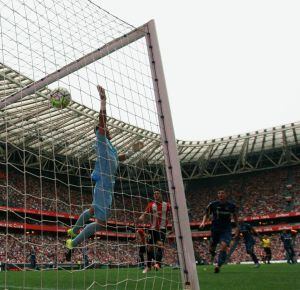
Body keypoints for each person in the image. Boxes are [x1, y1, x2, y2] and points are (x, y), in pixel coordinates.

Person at [65, 85, 143, 252]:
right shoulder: (101, 139)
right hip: (104, 184)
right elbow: (102, 119)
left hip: (105, 184)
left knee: (93, 210)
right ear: (101, 130)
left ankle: (74, 230)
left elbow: (118, 159)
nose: (108, 128)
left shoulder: (110, 146)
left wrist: (132, 151)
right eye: (105, 127)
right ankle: (73, 242)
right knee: (101, 223)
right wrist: (103, 100)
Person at [200, 190, 238, 273]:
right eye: (219, 193)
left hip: (226, 228)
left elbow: (235, 216)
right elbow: (206, 214)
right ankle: (212, 253)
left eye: (222, 193)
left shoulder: (231, 206)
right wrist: (203, 222)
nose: (220, 194)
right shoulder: (213, 204)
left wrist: (237, 226)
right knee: (211, 248)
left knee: (224, 245)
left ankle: (218, 265)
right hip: (215, 228)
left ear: (226, 194)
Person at [139, 190, 171, 273]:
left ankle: (158, 264)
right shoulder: (151, 205)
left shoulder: (166, 205)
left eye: (157, 193)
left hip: (162, 229)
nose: (156, 195)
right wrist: (142, 216)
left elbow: (173, 212)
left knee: (160, 245)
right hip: (152, 229)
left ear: (161, 195)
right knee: (149, 248)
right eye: (154, 194)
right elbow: (145, 212)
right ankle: (148, 267)